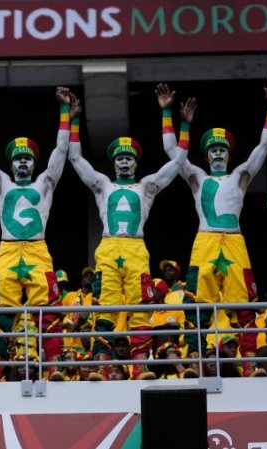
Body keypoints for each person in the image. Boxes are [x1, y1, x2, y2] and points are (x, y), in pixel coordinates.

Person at [160, 77, 267, 377]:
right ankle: (193, 362)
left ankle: (249, 364)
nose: (217, 154)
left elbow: (264, 147)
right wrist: (171, 116)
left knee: (244, 306)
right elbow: (172, 152)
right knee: (196, 305)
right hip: (204, 241)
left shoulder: (240, 176)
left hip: (234, 242)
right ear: (206, 156)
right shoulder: (197, 178)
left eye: (222, 150)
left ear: (229, 155)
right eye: (213, 150)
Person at [70, 91, 191, 381]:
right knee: (105, 310)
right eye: (120, 158)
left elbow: (177, 163)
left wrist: (174, 118)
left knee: (140, 309)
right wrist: (72, 120)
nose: (124, 162)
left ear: (136, 164)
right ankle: (102, 367)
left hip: (136, 248)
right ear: (114, 163)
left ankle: (139, 368)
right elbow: (75, 157)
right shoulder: (103, 185)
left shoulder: (146, 186)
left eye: (129, 158)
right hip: (109, 247)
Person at [0, 87, 79, 382]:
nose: (23, 162)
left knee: (48, 310)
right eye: (18, 158)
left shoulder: (45, 183)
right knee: (0, 309)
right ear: (11, 164)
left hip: (37, 249)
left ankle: (54, 366)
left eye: (27, 158)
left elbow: (60, 152)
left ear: (34, 163)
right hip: (7, 249)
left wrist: (65, 113)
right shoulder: (1, 183)